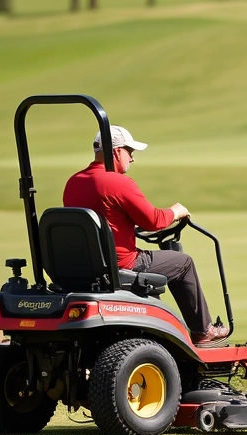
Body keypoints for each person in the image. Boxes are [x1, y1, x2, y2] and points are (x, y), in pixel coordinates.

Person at [62, 125, 228, 347]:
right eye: (130, 152)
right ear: (116, 152)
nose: (132, 159)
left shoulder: (73, 182)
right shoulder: (117, 183)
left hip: (87, 266)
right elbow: (154, 220)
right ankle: (203, 331)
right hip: (122, 264)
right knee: (183, 262)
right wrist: (176, 211)